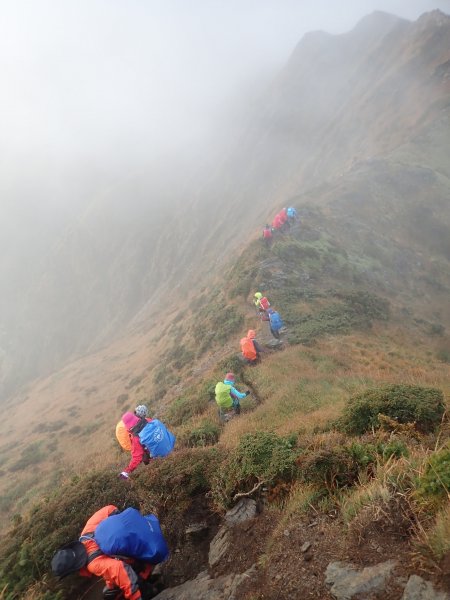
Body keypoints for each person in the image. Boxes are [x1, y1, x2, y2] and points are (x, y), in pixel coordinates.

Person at [51, 505, 166, 600]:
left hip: (149, 551)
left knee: (131, 581)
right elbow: (110, 509)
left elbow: (119, 569)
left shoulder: (93, 564)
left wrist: (134, 597)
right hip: (143, 523)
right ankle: (148, 577)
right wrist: (111, 585)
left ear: (73, 570)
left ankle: (150, 588)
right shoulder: (86, 534)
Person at [119, 412, 152, 480]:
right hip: (169, 446)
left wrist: (127, 471)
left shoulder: (136, 438)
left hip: (158, 458)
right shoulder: (148, 420)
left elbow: (137, 458)